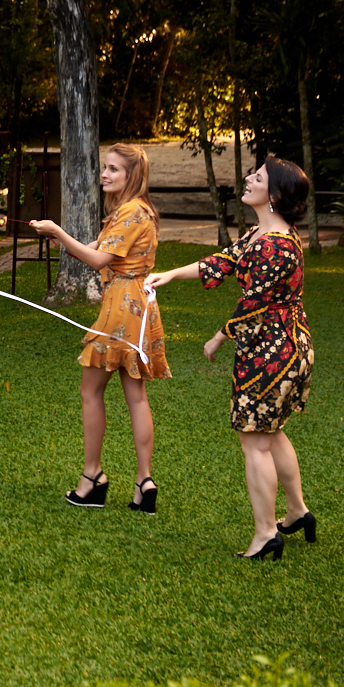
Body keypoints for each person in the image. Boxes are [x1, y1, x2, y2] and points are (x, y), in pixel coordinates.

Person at [146, 157, 315, 560]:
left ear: (273, 195)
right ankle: (296, 513)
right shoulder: (264, 234)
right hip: (282, 346)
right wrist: (169, 274)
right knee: (271, 433)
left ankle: (264, 534)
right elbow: (223, 261)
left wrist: (218, 337)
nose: (248, 179)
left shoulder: (276, 246)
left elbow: (254, 305)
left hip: (273, 350)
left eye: (257, 177)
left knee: (254, 441)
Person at [31, 143, 171, 513]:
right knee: (136, 396)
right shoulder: (135, 213)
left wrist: (58, 232)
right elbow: (92, 247)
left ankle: (92, 477)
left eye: (113, 170)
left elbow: (96, 259)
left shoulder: (130, 212)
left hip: (123, 308)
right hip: (136, 306)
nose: (104, 174)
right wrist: (55, 235)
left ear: (131, 176)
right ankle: (144, 483)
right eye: (104, 168)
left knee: (90, 391)